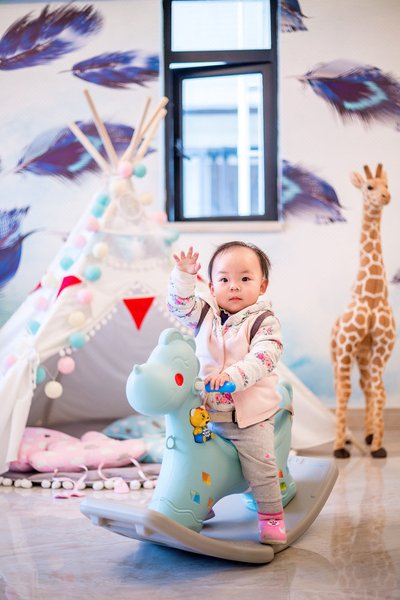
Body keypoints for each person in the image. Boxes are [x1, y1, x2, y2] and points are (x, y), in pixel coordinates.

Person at [167, 241, 288, 545]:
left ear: (262, 286)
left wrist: (233, 377)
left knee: (261, 467)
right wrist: (183, 277)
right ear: (211, 286)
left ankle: (271, 516)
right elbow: (178, 306)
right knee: (192, 457)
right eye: (224, 279)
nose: (234, 286)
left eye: (245, 279)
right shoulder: (204, 313)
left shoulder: (264, 322)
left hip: (249, 417)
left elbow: (264, 357)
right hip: (206, 413)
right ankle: (196, 503)